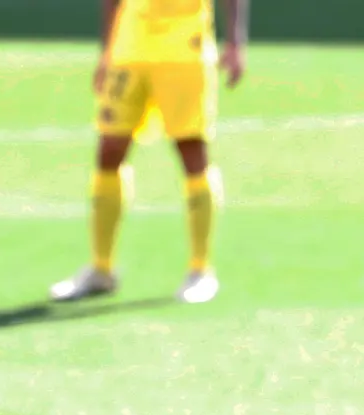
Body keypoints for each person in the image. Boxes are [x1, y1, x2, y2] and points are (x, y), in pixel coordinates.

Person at [49, 0, 247, 305]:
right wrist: (107, 50)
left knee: (192, 151)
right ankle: (101, 268)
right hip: (130, 49)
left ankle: (200, 270)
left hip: (185, 51)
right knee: (109, 151)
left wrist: (235, 42)